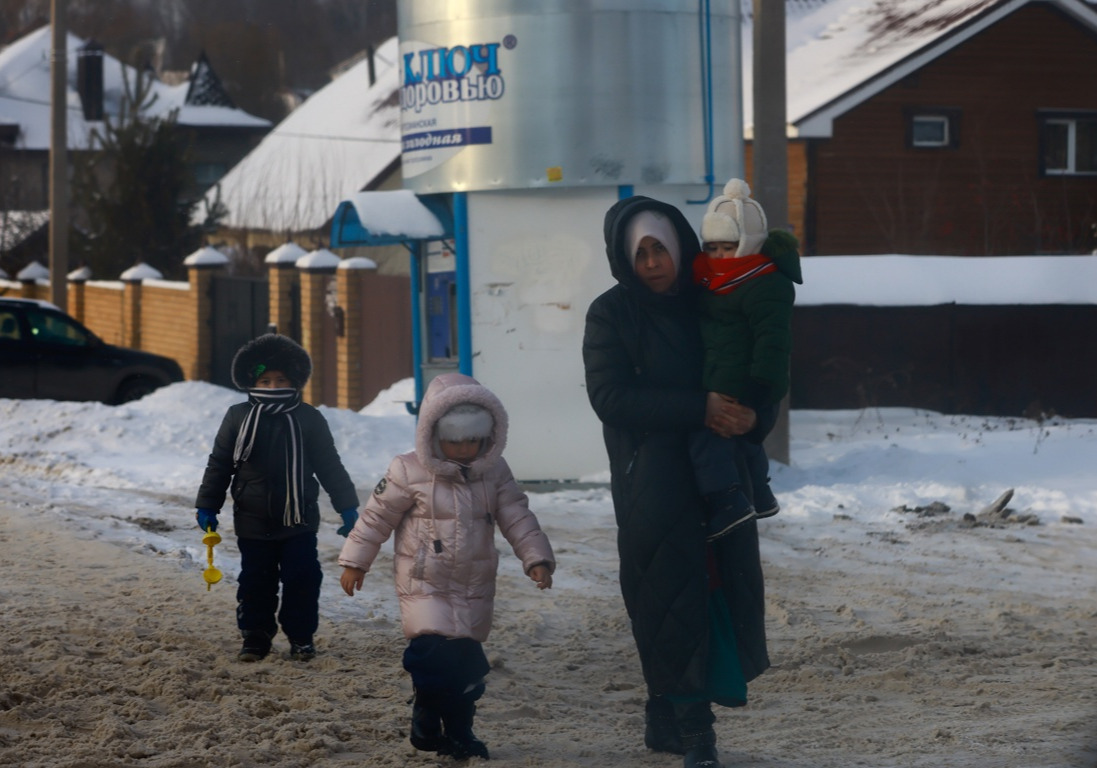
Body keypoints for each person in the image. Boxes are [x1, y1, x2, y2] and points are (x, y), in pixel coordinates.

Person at [582, 195, 773, 768]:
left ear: (677, 245)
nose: (649, 262)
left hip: (718, 477)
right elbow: (609, 398)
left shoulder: (713, 300)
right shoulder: (610, 313)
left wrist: (754, 417)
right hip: (651, 480)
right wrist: (700, 408)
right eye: (637, 252)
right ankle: (696, 735)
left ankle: (666, 715)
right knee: (663, 596)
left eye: (657, 248)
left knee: (716, 593)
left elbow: (760, 371)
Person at [338, 372, 555, 760]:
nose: (464, 449)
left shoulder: (494, 472)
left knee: (469, 669)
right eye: (455, 441)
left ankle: (459, 731)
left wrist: (536, 557)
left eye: (473, 439)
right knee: (431, 653)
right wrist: (356, 562)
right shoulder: (408, 471)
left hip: (474, 585)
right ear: (433, 434)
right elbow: (376, 518)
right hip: (425, 582)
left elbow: (517, 516)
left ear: (489, 435)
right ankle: (426, 708)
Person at [194, 333, 360, 663]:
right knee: (256, 580)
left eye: (280, 380)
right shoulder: (238, 417)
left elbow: (329, 464)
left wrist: (347, 505)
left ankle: (301, 636)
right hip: (252, 519)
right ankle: (255, 637)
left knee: (303, 577)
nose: (272, 387)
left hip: (298, 520)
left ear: (294, 380)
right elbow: (220, 463)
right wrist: (207, 504)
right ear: (250, 381)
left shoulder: (308, 418)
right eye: (265, 380)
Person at [690, 178, 802, 539]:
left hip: (740, 382)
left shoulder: (765, 283)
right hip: (720, 374)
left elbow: (773, 344)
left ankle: (728, 503)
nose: (720, 256)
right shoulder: (711, 281)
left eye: (728, 247)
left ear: (749, 244)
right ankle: (762, 493)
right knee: (740, 443)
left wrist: (756, 393)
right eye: (712, 247)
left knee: (709, 441)